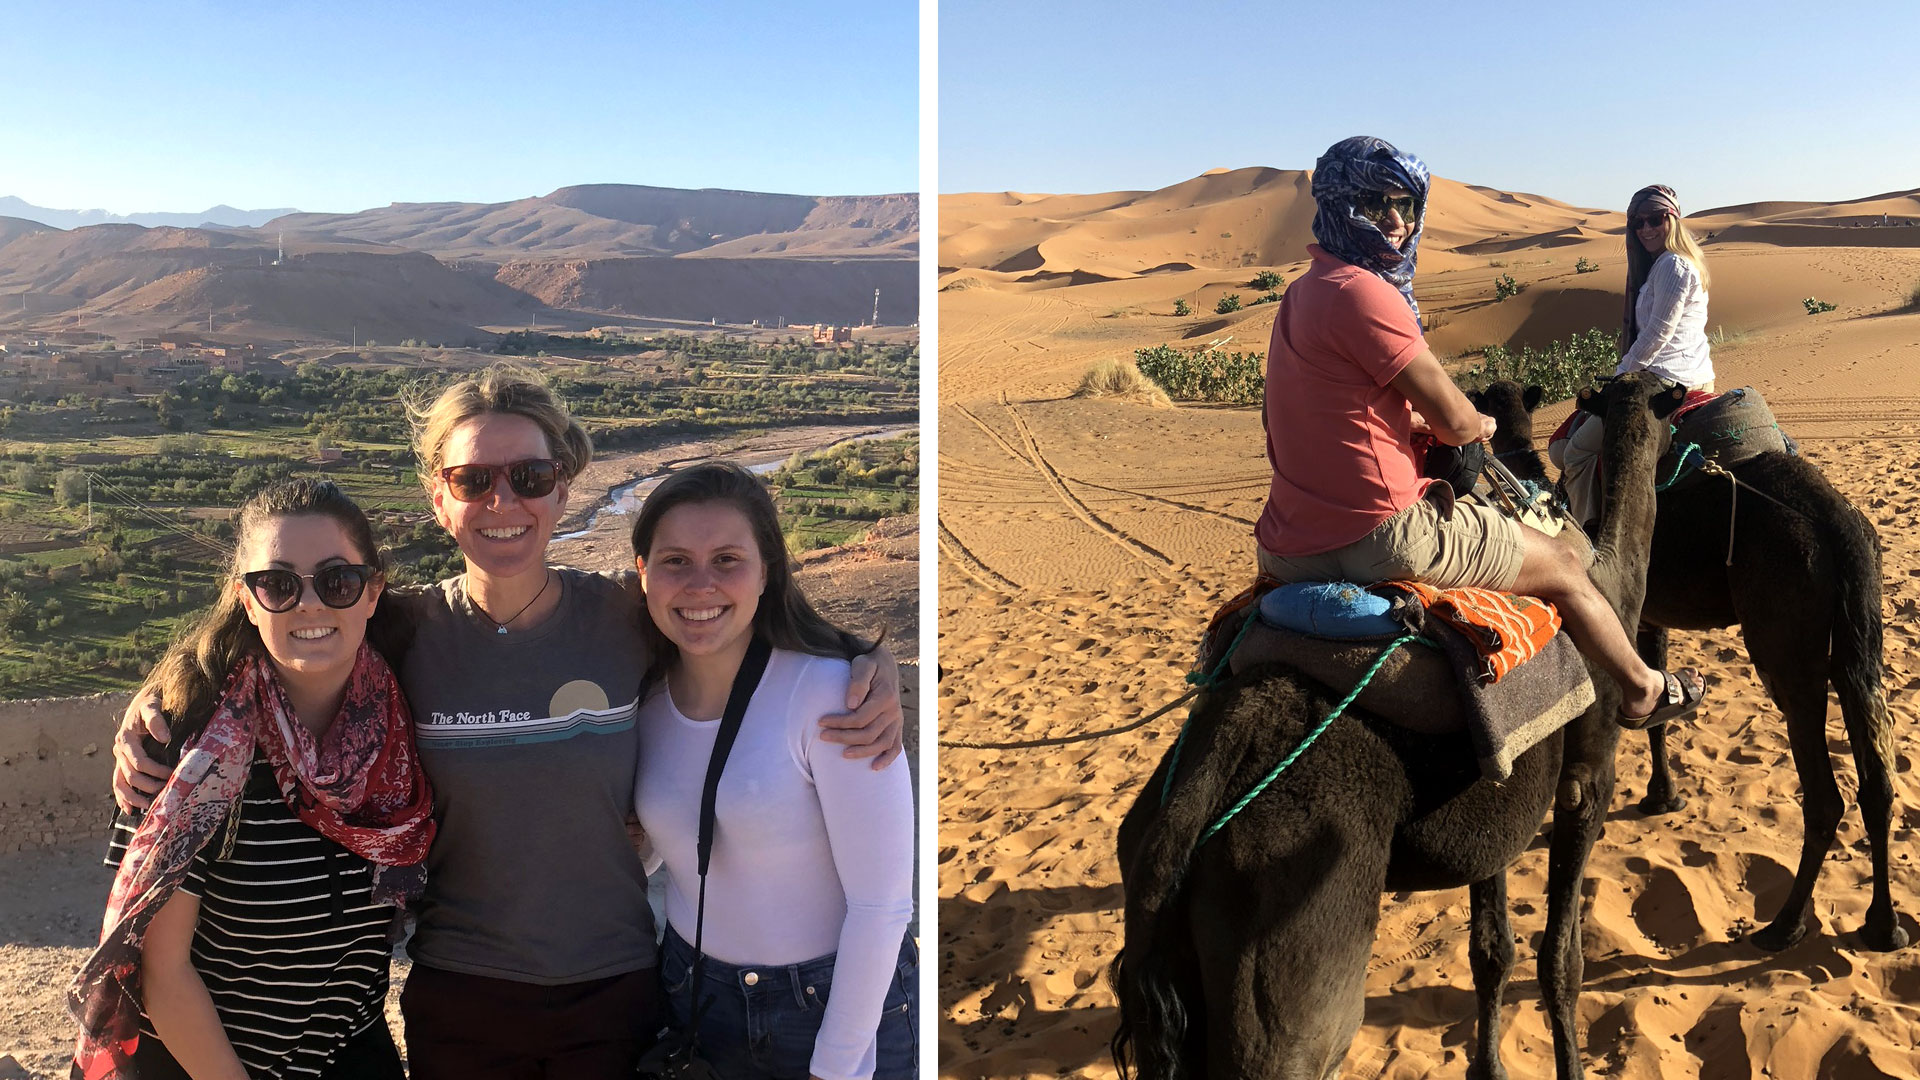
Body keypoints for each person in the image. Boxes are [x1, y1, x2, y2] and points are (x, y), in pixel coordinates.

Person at [108, 366, 905, 1079]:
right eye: (473, 477)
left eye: (529, 475)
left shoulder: (626, 616)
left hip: (617, 986)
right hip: (462, 995)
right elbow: (274, 641)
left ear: (562, 489)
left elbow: (732, 615)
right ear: (438, 497)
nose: (503, 501)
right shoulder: (404, 634)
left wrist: (871, 667)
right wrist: (159, 703)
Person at [1255, 136, 1703, 730]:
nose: (1395, 221)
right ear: (1341, 205)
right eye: (1375, 203)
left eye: (1407, 206)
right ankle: (1644, 687)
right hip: (1378, 534)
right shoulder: (1366, 293)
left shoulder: (1302, 292)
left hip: (1285, 545)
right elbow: (1457, 421)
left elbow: (1302, 412)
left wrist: (1404, 423)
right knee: (1566, 563)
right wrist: (1477, 422)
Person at [71, 479, 435, 1080]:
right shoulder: (192, 753)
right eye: (278, 584)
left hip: (347, 1052)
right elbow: (165, 972)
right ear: (247, 600)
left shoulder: (411, 714)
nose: (309, 604)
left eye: (338, 581)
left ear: (372, 593)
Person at [631, 464, 915, 1080]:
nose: (701, 584)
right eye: (676, 560)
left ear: (767, 574)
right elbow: (668, 846)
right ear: (642, 573)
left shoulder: (836, 697)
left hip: (826, 1003)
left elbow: (883, 905)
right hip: (692, 993)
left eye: (728, 559)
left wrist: (835, 1067)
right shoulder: (641, 698)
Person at [1551, 184, 1716, 528]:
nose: (1646, 229)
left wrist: (1620, 376)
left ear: (1673, 219)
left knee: (1576, 452)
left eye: (1655, 219)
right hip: (1684, 373)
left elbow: (1657, 334)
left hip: (1662, 380)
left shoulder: (1673, 265)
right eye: (1638, 222)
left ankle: (1587, 538)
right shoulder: (1668, 264)